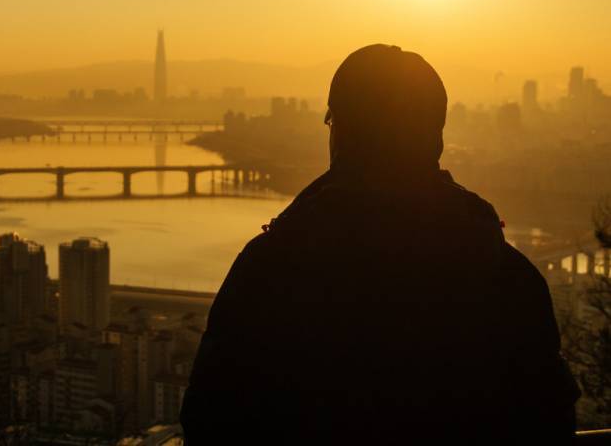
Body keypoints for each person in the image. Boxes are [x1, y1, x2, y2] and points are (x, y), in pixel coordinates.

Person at [180, 44, 579, 443]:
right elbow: (548, 420)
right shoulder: (508, 276)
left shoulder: (273, 269)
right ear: (435, 136)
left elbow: (210, 419)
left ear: (340, 131)